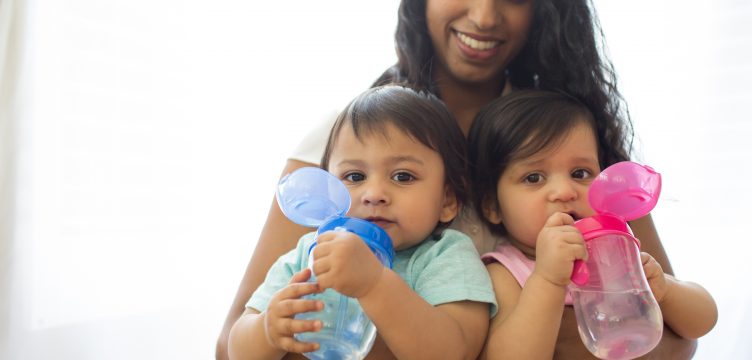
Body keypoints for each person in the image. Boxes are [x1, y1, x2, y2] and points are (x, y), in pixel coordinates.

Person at [218, 1, 698, 358]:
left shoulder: (570, 138)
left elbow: (679, 337)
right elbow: (234, 344)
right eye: (354, 177)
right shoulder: (340, 136)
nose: (486, 17)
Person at [227, 85, 497, 360]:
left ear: (448, 199)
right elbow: (235, 350)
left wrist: (375, 284)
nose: (374, 195)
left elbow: (454, 352)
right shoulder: (310, 251)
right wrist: (267, 330)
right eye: (355, 177)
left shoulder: (444, 256)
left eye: (402, 176)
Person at [468, 90, 718, 359]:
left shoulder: (616, 250)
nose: (565, 191)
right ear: (492, 206)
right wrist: (547, 280)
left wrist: (666, 289)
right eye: (533, 178)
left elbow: (703, 322)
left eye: (580, 173)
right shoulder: (506, 273)